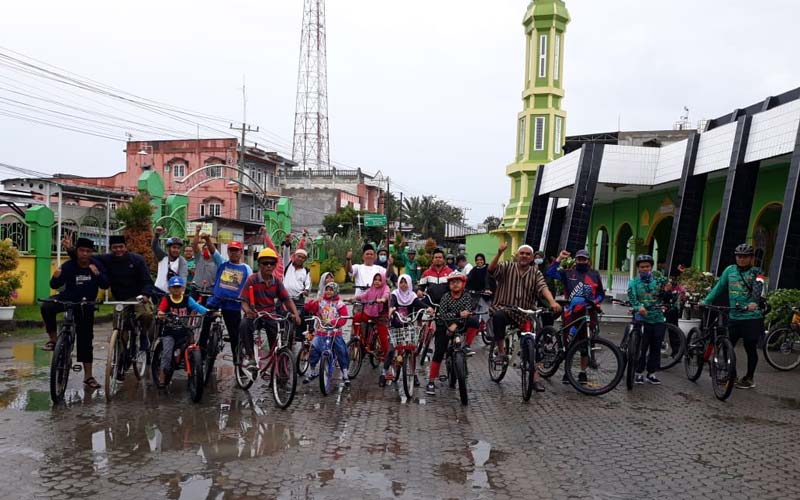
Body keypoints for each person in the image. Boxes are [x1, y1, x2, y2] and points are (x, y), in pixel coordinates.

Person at [488, 242, 562, 392]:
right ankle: (502, 352)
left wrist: (553, 302)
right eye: (522, 253)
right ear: (517, 255)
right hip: (506, 308)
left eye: (528, 254)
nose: (524, 256)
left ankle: (534, 379)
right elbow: (491, 269)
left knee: (532, 344)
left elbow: (543, 287)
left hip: (525, 312)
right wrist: (499, 252)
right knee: (498, 317)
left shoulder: (536, 273)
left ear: (532, 257)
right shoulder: (508, 266)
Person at [41, 237, 109, 390]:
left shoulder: (95, 264)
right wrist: (56, 276)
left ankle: (88, 376)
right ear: (77, 252)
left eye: (88, 251)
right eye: (82, 250)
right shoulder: (69, 266)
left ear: (92, 252)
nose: (85, 254)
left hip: (86, 305)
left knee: (85, 339)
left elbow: (105, 285)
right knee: (46, 306)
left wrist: (97, 274)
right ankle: (53, 340)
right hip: (68, 299)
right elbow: (54, 285)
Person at [62, 234, 155, 337]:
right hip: (120, 299)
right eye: (115, 247)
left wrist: (146, 294)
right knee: (119, 329)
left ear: (125, 247)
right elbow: (85, 257)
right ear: (111, 248)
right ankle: (120, 351)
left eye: (121, 247)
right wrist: (70, 249)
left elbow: (147, 280)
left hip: (138, 297)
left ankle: (143, 335)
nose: (118, 250)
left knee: (147, 315)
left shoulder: (138, 260)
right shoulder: (106, 259)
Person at [702, 243, 765, 389]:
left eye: (745, 257)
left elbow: (757, 289)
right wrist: (706, 301)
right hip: (734, 316)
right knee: (726, 345)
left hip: (751, 317)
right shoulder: (729, 270)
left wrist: (753, 303)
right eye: (739, 256)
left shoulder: (757, 272)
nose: (741, 259)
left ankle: (749, 378)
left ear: (751, 258)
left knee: (750, 348)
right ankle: (732, 375)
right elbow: (719, 287)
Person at [547, 249, 605, 384]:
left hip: (589, 314)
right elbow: (550, 273)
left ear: (588, 261)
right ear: (575, 260)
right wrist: (559, 258)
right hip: (571, 314)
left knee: (586, 344)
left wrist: (596, 302)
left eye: (583, 259)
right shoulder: (568, 273)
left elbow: (601, 293)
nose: (581, 261)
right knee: (569, 343)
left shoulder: (594, 274)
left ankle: (582, 373)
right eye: (579, 259)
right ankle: (567, 372)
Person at [239, 248, 302, 367]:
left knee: (278, 339)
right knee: (244, 325)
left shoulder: (276, 281)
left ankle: (279, 367)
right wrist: (247, 311)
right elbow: (244, 301)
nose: (268, 266)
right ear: (259, 265)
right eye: (265, 263)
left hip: (270, 314)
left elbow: (287, 299)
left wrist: (296, 314)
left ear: (274, 266)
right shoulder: (252, 279)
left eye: (271, 263)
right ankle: (250, 356)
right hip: (255, 314)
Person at [424, 272, 478, 395]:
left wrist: (456, 323)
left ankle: (467, 346)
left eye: (458, 282)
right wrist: (458, 315)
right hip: (444, 325)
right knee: (438, 352)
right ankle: (431, 382)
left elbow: (468, 312)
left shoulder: (467, 296)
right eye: (452, 282)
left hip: (460, 325)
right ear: (449, 285)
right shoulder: (446, 297)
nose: (455, 284)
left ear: (463, 284)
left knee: (474, 321)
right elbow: (443, 314)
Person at [155, 276, 211, 388]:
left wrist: (209, 312)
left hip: (185, 330)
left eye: (178, 287)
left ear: (183, 288)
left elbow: (197, 307)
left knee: (193, 346)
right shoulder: (167, 299)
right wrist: (161, 314)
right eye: (174, 287)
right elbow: (161, 309)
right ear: (169, 289)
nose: (176, 289)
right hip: (170, 332)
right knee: (167, 353)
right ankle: (162, 375)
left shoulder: (187, 299)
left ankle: (192, 367)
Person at [202, 241, 252, 358]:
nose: (233, 253)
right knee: (205, 326)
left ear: (241, 252)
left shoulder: (246, 269)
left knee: (235, 335)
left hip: (233, 305)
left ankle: (237, 360)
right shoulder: (222, 263)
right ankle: (201, 355)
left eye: (236, 250)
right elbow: (213, 251)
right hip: (216, 301)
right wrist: (207, 239)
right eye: (231, 250)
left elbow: (250, 287)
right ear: (228, 252)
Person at [627, 254, 672, 385]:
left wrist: (669, 288)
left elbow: (671, 286)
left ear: (651, 267)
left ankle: (652, 373)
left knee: (656, 347)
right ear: (638, 268)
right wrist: (638, 307)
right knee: (642, 347)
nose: (645, 269)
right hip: (642, 318)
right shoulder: (633, 283)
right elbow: (632, 300)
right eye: (642, 267)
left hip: (657, 318)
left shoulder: (658, 280)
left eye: (647, 266)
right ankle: (638, 372)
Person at [302, 281, 351, 387]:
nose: (328, 292)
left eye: (331, 290)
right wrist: (315, 301)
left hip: (335, 332)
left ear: (336, 291)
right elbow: (308, 308)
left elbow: (344, 317)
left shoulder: (340, 303)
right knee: (314, 351)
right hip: (321, 331)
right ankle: (313, 370)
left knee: (341, 351)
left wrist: (334, 322)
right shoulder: (321, 301)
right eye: (327, 289)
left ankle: (345, 373)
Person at [352, 272, 392, 385]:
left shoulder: (386, 288)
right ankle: (357, 337)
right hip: (369, 313)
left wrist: (382, 299)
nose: (377, 282)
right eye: (375, 279)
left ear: (383, 280)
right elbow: (363, 296)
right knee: (356, 317)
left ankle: (387, 362)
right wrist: (353, 298)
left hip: (380, 316)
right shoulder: (371, 289)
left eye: (379, 280)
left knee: (384, 339)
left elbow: (386, 294)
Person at [153, 226, 188, 293]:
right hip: (158, 291)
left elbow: (183, 277)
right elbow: (154, 246)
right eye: (174, 247)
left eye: (178, 248)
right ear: (168, 248)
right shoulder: (162, 257)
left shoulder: (182, 261)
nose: (176, 250)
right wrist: (157, 235)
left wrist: (181, 293)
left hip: (173, 294)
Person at [191, 226, 223, 294]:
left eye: (208, 248)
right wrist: (197, 232)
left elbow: (213, 250)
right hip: (197, 288)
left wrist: (207, 239)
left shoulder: (217, 260)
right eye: (204, 248)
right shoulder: (199, 257)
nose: (206, 250)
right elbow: (194, 245)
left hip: (211, 289)